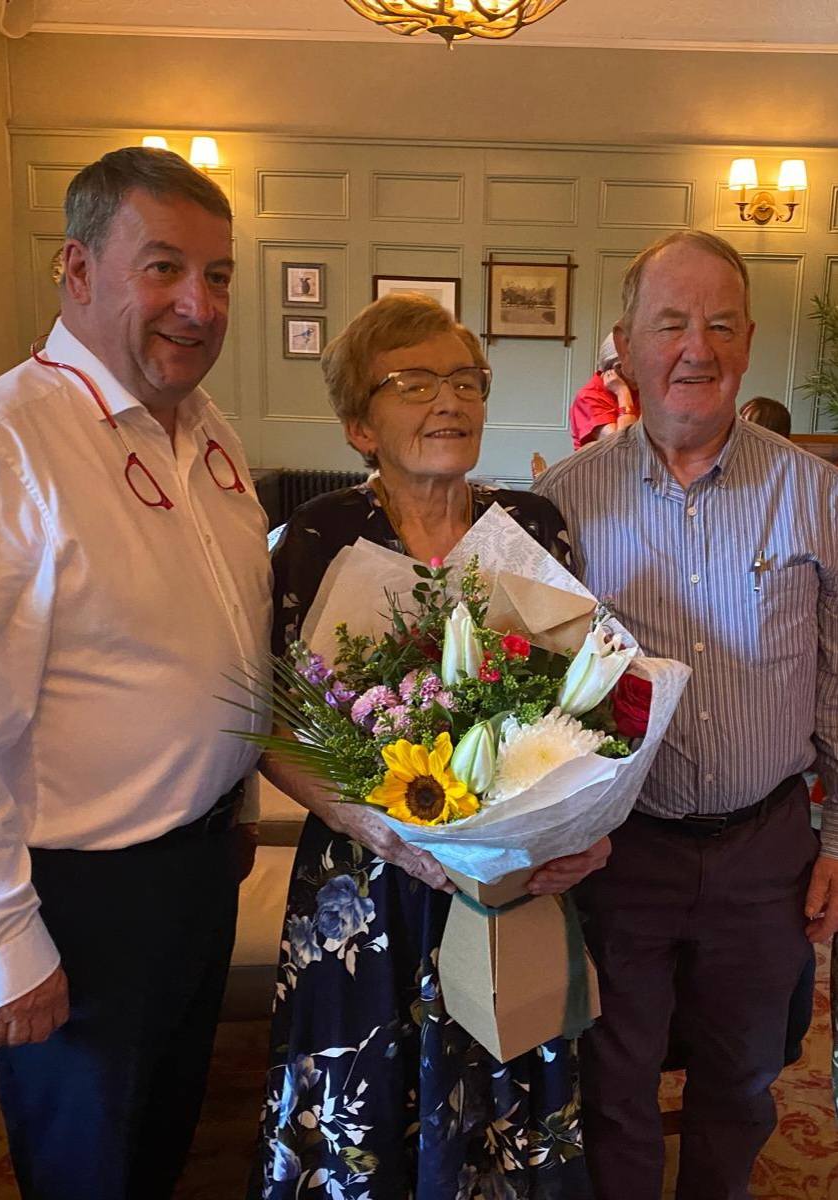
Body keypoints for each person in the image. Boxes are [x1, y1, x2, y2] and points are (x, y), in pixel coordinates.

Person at [0, 147, 271, 1200]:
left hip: (195, 874)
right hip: (77, 902)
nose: (197, 304)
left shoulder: (209, 435)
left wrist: (233, 808)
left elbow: (219, 648)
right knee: (89, 1172)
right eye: (163, 267)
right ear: (79, 269)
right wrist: (3, 942)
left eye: (218, 275)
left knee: (160, 1149)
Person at [250, 293, 609, 1199]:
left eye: (465, 380)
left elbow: (588, 706)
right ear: (359, 426)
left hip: (509, 878)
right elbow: (273, 729)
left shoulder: (533, 526)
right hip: (366, 883)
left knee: (504, 1084)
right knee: (364, 1107)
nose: (448, 400)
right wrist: (371, 825)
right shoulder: (319, 536)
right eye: (412, 383)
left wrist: (584, 828)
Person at [535, 230, 838, 1200]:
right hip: (622, 853)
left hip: (767, 852)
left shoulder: (816, 494)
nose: (696, 349)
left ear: (748, 343)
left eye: (720, 325)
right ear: (624, 344)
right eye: (671, 324)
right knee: (613, 1079)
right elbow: (532, 700)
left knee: (743, 1080)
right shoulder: (562, 505)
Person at [568, 330, 640, 449]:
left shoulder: (641, 389)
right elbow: (625, 447)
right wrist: (623, 393)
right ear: (618, 368)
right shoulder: (588, 398)